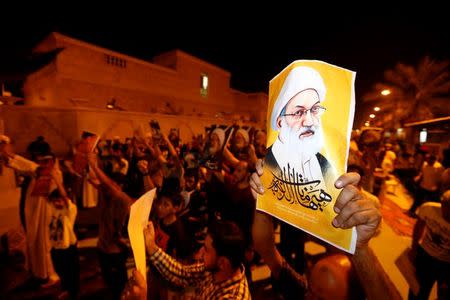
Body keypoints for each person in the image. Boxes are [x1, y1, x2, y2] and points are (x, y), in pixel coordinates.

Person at [250, 159, 401, 300]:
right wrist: (263, 201)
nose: (309, 298)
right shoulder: (303, 292)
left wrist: (360, 249)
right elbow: (266, 248)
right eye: (310, 291)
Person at [123, 220, 251, 299]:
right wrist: (151, 247)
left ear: (223, 263)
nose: (200, 254)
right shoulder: (216, 269)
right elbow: (183, 273)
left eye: (206, 249)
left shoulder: (233, 297)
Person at [266, 66, 335, 193]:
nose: (309, 122)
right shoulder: (267, 167)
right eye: (298, 112)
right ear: (280, 122)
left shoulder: (324, 164)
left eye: (314, 110)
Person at [409, 190, 450, 299]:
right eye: (447, 207)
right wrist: (414, 249)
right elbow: (418, 227)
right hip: (425, 256)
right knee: (417, 291)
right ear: (442, 202)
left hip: (446, 263)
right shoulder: (429, 208)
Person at [48, 189, 80, 299]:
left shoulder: (70, 210)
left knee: (71, 271)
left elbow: (65, 197)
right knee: (60, 269)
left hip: (68, 247)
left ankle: (73, 293)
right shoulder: (54, 210)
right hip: (56, 246)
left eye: (59, 200)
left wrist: (57, 179)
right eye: (54, 201)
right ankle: (66, 289)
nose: (56, 203)